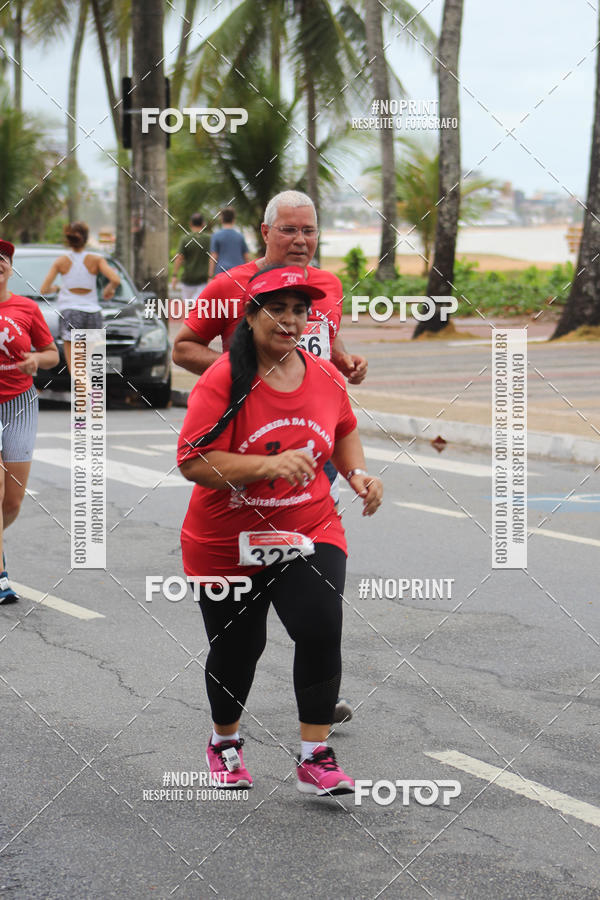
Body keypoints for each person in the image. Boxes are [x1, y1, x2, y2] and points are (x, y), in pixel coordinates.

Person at [177, 265, 383, 794]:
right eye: (277, 309)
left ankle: (315, 756)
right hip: (227, 541)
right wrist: (267, 466)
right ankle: (225, 743)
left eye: (299, 310)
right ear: (249, 317)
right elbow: (192, 462)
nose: (289, 321)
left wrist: (357, 473)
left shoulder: (324, 374)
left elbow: (344, 430)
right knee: (237, 650)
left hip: (308, 525)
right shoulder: (224, 377)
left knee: (319, 626)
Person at [173, 189, 368, 724]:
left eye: (309, 230)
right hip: (244, 451)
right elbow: (183, 346)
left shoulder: (327, 285)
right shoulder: (228, 286)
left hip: (311, 437)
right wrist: (245, 379)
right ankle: (232, 716)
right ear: (265, 232)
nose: (301, 240)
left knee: (318, 605)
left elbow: (325, 339)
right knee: (241, 634)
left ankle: (317, 700)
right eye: (289, 230)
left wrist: (345, 362)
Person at [0, 240, 59, 603]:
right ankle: (1, 576)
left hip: (20, 404)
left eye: (2, 259)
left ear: (9, 267)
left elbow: (52, 353)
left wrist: (37, 361)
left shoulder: (26, 308)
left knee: (13, 502)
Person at [39, 222, 120, 374]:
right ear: (86, 239)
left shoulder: (61, 261)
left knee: (77, 371)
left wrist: (57, 288)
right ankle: (89, 397)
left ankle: (84, 396)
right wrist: (109, 290)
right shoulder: (96, 260)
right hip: (93, 315)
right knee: (89, 369)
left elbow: (43, 290)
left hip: (71, 314)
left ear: (68, 240)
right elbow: (115, 279)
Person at [171, 213, 211, 300]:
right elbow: (213, 258)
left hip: (187, 280)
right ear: (203, 224)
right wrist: (210, 276)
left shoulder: (185, 239)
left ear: (190, 223)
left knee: (189, 309)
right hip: (203, 281)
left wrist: (174, 276)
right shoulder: (209, 239)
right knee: (199, 307)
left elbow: (179, 258)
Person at [207, 206, 250, 279]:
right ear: (234, 219)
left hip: (222, 274)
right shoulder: (240, 236)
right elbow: (246, 257)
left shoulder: (216, 236)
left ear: (221, 219)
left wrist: (210, 276)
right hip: (239, 273)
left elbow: (213, 257)